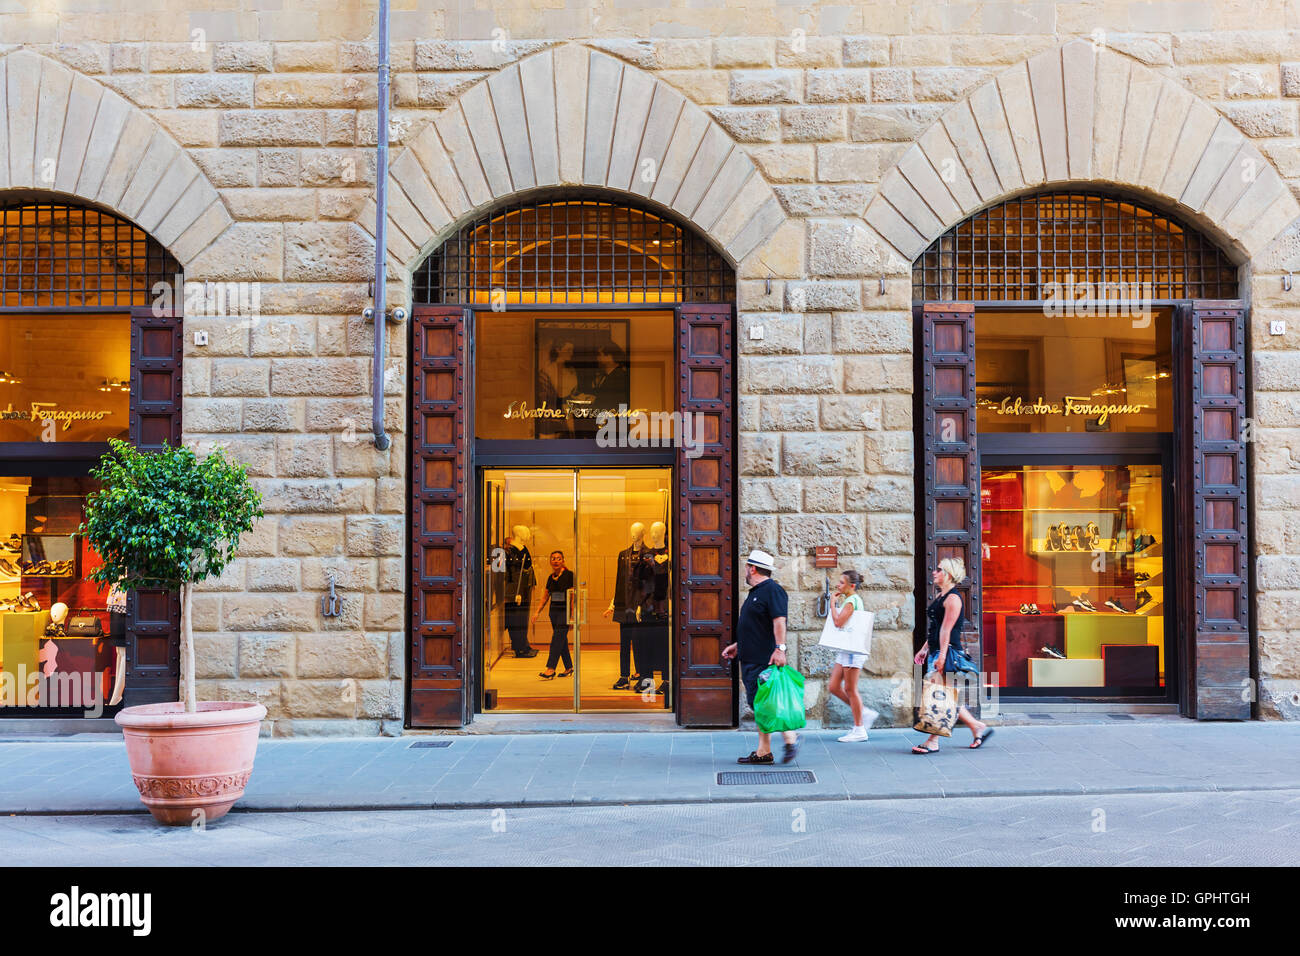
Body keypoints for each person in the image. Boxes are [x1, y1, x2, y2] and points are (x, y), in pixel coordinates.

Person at [722, 549, 798, 765]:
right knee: (760, 704)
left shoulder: (772, 591)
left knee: (766, 703)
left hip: (764, 660)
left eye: (746, 567)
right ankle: (764, 752)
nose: (745, 571)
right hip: (750, 658)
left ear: (753, 569)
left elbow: (779, 622)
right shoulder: (756, 592)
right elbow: (756, 627)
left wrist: (780, 649)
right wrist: (738, 646)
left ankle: (791, 738)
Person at [911, 557, 993, 754]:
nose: (934, 572)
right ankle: (976, 726)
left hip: (946, 652)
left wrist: (941, 656)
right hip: (937, 650)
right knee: (945, 696)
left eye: (938, 570)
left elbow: (946, 631)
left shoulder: (953, 599)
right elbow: (936, 629)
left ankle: (933, 741)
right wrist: (925, 649)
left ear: (947, 574)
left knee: (941, 696)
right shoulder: (942, 596)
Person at [826, 570, 879, 742]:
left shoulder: (851, 601)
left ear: (852, 586)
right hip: (846, 649)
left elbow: (838, 622)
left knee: (850, 688)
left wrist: (832, 604)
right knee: (833, 686)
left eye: (841, 583)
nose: (838, 585)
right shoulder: (851, 600)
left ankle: (859, 729)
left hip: (852, 650)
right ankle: (863, 712)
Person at [532, 550, 575, 679]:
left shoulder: (569, 575)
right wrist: (537, 612)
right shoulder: (550, 578)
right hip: (554, 613)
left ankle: (550, 669)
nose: (556, 561)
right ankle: (569, 667)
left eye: (558, 558)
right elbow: (545, 597)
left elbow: (573, 596)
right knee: (561, 640)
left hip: (565, 612)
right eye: (553, 558)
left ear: (563, 561)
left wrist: (572, 615)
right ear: (550, 561)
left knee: (556, 640)